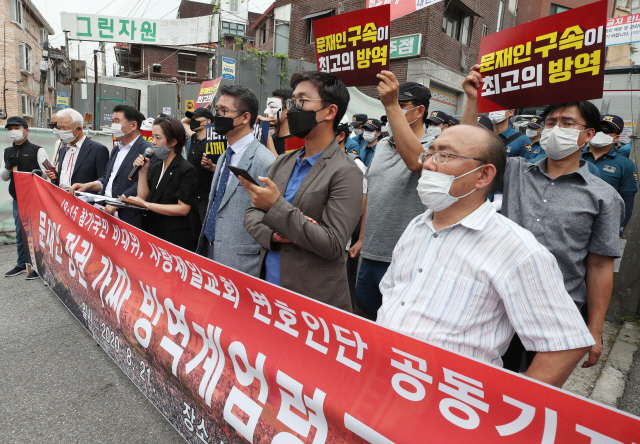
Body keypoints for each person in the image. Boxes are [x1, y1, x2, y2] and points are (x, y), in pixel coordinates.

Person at [377, 124, 595, 387]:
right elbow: (391, 293)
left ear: (483, 176)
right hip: (383, 378)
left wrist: (510, 408)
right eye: (429, 153)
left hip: (448, 405)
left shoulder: (517, 250)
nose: (430, 164)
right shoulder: (417, 226)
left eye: (445, 155)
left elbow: (564, 345)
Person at [461, 64, 624, 372]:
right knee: (485, 382)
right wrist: (473, 100)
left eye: (567, 122)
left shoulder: (603, 196)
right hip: (497, 304)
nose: (555, 128)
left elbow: (600, 264)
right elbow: (469, 150)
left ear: (588, 135)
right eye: (550, 122)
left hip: (557, 312)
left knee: (531, 397)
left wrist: (595, 329)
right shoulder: (515, 170)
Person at [242, 71, 363, 312]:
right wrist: (274, 235)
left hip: (312, 300)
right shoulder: (283, 162)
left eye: (303, 101)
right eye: (292, 102)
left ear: (330, 112)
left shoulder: (346, 172)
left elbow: (332, 244)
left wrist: (276, 208)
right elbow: (251, 215)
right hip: (268, 288)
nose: (291, 110)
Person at [350, 75, 432, 320]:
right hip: (371, 252)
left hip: (405, 258)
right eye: (387, 106)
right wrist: (363, 237)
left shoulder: (434, 145)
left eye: (399, 105)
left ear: (420, 111)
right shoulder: (384, 144)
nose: (390, 111)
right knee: (365, 318)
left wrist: (391, 104)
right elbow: (372, 193)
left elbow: (415, 162)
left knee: (396, 326)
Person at [195, 86, 275, 276]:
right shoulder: (225, 155)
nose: (217, 117)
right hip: (211, 249)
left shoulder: (264, 161)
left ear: (245, 117)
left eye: (224, 111)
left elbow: (270, 216)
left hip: (242, 262)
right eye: (217, 111)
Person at [68, 105, 154, 227]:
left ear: (133, 125)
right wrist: (87, 185)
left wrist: (119, 202)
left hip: (127, 215)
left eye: (117, 121)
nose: (113, 126)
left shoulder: (147, 150)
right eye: (112, 121)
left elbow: (143, 183)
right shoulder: (116, 149)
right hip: (105, 211)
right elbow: (107, 178)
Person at [128, 117, 198, 251]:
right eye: (153, 137)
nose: (153, 142)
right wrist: (142, 172)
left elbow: (183, 209)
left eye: (158, 138)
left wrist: (147, 205)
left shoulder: (186, 169)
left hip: (173, 236)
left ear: (173, 142)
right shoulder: (156, 167)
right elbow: (144, 197)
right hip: (153, 230)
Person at [2, 116, 51, 279]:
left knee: (35, 231)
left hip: (35, 198)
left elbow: (50, 172)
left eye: (17, 128)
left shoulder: (38, 150)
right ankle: (22, 263)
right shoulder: (7, 152)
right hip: (18, 198)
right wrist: (8, 165)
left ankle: (39, 265)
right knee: (20, 231)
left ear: (26, 130)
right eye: (10, 129)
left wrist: (39, 173)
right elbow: (4, 177)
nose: (13, 131)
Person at [582, 114, 638, 237]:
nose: (601, 133)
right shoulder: (574, 156)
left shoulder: (625, 165)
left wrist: (618, 232)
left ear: (616, 137)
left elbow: (627, 202)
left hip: (602, 229)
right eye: (597, 129)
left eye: (607, 130)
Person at [45, 108, 110, 190]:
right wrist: (55, 178)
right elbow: (63, 181)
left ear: (79, 129)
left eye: (65, 129)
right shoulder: (63, 150)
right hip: (63, 199)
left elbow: (104, 181)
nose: (60, 132)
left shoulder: (98, 150)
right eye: (59, 128)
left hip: (84, 200)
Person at [185, 107, 215, 224]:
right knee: (193, 235)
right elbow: (183, 122)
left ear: (207, 121)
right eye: (192, 118)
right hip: (192, 197)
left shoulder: (213, 143)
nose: (193, 121)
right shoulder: (194, 138)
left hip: (206, 199)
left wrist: (211, 166)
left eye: (196, 118)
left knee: (205, 234)